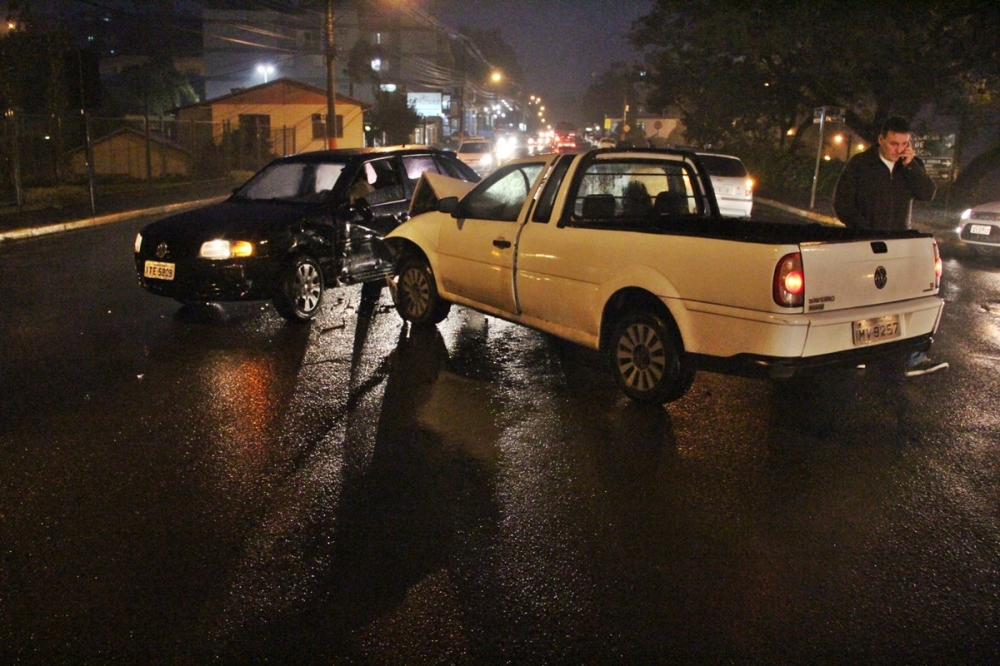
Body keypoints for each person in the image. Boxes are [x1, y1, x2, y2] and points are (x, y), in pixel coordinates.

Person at [833, 115, 948, 377]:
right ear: (881, 140)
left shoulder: (909, 166)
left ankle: (911, 357)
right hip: (864, 243)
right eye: (894, 143)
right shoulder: (861, 165)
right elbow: (842, 204)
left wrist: (910, 165)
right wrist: (865, 231)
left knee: (902, 302)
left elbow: (927, 193)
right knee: (862, 301)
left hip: (898, 245)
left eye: (904, 143)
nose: (899, 149)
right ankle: (855, 355)